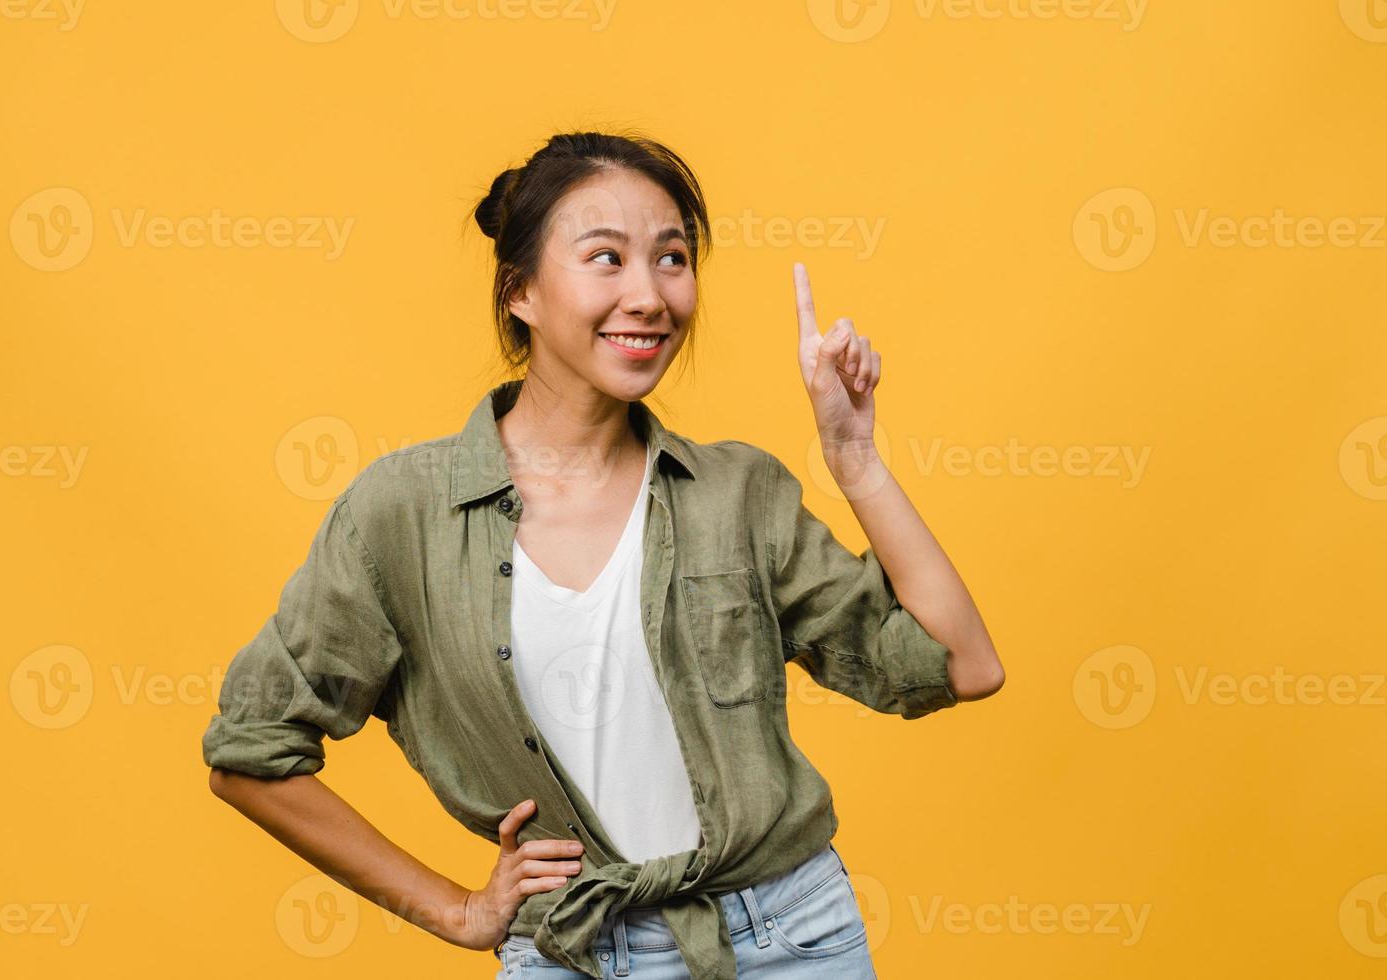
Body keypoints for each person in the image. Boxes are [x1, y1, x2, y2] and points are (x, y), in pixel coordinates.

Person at [202, 130, 1005, 979]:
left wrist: (854, 461)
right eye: (605, 258)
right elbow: (251, 754)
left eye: (671, 258)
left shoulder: (738, 494)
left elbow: (962, 663)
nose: (649, 295)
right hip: (572, 954)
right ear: (521, 293)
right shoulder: (401, 514)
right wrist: (456, 912)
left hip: (791, 940)